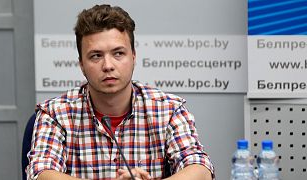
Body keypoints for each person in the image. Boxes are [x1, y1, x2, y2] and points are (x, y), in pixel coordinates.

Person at [26, 4, 214, 180]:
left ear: (133, 56)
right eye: (96, 56)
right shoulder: (55, 113)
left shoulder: (168, 109)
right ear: (82, 65)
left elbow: (200, 168)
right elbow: (40, 172)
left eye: (118, 53)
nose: (108, 66)